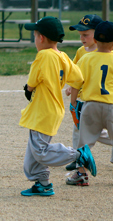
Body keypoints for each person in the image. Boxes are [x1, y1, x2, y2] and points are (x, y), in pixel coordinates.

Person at [19, 17, 96, 196]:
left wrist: (28, 89)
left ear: (42, 38)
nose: (35, 39)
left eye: (36, 35)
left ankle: (79, 155)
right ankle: (43, 183)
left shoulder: (43, 55)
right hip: (51, 110)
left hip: (43, 111)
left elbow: (32, 82)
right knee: (34, 151)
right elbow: (78, 78)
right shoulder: (62, 57)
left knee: (41, 151)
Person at [67, 21, 113, 186]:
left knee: (83, 142)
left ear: (96, 40)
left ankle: (81, 174)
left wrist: (73, 104)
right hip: (112, 106)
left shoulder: (86, 58)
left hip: (90, 106)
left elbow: (76, 83)